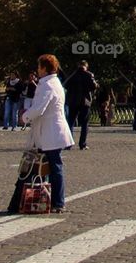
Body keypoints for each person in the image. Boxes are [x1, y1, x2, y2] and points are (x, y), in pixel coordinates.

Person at [20, 54, 73, 213]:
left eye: (39, 66)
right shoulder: (53, 82)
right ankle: (47, 198)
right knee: (46, 167)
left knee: (54, 167)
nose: (37, 70)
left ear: (44, 68)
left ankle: (58, 201)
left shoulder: (47, 85)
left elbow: (39, 108)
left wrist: (24, 117)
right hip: (50, 131)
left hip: (51, 132)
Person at [64, 60, 97, 150]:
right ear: (86, 66)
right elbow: (94, 86)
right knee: (84, 124)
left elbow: (65, 85)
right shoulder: (89, 75)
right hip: (85, 102)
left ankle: (68, 144)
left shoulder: (72, 74)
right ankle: (82, 144)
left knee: (70, 122)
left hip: (73, 101)